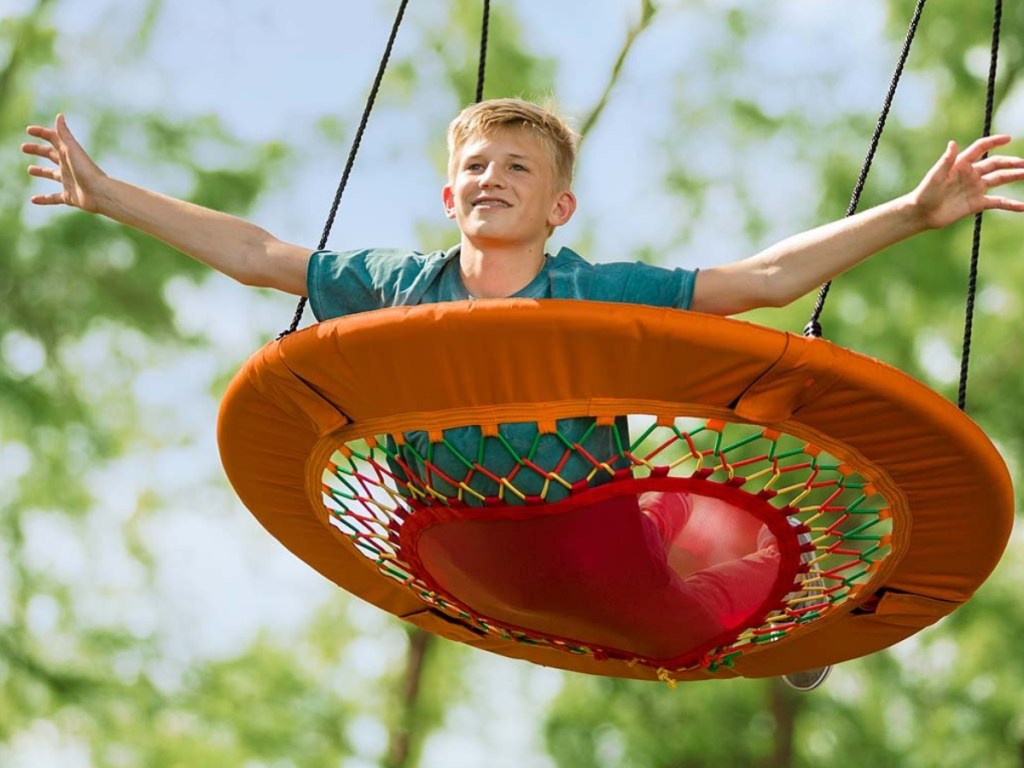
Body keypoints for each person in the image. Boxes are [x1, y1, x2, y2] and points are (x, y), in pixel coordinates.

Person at [22, 99, 1024, 690]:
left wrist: (911, 211)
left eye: (517, 166)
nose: (490, 175)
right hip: (453, 537)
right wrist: (108, 193)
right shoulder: (395, 285)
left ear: (559, 207)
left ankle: (792, 633)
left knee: (699, 590)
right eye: (473, 166)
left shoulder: (593, 291)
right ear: (448, 197)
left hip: (586, 535)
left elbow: (759, 282)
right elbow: (256, 254)